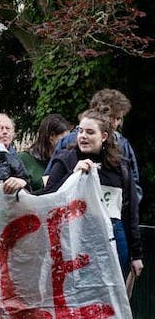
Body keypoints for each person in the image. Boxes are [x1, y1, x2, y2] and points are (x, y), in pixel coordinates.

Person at [44, 109, 143, 279]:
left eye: (90, 132)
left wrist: (136, 254)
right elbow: (47, 199)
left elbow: (130, 211)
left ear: (104, 136)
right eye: (80, 131)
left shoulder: (121, 166)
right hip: (74, 239)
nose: (83, 136)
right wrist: (72, 176)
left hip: (113, 238)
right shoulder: (64, 160)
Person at [47, 89, 143, 202]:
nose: (116, 123)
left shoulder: (122, 144)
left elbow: (134, 189)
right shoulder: (68, 141)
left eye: (119, 119)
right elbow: (48, 182)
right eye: (112, 117)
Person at [17, 114, 69, 192]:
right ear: (51, 136)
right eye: (64, 139)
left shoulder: (64, 161)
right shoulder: (23, 159)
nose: (67, 143)